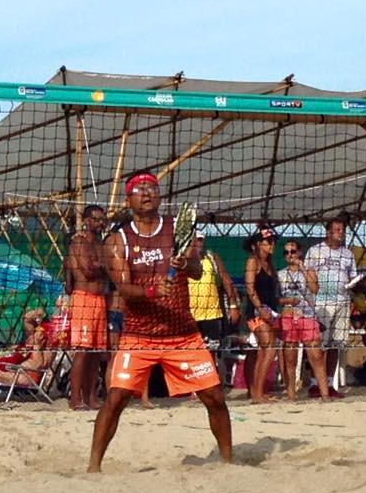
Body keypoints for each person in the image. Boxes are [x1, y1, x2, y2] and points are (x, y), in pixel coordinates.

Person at [88, 172, 232, 472]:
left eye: (151, 188)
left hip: (182, 332)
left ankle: (229, 462)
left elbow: (196, 271)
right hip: (139, 335)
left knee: (215, 397)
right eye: (139, 190)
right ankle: (93, 467)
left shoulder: (176, 229)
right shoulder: (117, 240)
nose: (146, 193)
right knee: (116, 398)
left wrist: (186, 263)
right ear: (128, 200)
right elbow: (123, 288)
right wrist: (152, 291)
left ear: (159, 195)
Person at [304, 216, 357, 398]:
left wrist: (356, 285)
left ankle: (329, 383)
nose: (341, 233)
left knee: (336, 344)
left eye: (343, 230)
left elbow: (352, 277)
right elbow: (308, 275)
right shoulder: (315, 251)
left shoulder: (348, 254)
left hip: (342, 302)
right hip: (321, 304)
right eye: (337, 230)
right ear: (328, 232)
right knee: (320, 345)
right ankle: (314, 384)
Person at [64, 204, 108, 410]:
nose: (100, 223)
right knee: (82, 351)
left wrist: (101, 266)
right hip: (84, 299)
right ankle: (75, 399)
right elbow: (89, 270)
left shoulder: (100, 244)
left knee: (96, 352)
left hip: (100, 299)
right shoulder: (79, 242)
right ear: (87, 220)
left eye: (102, 220)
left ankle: (91, 397)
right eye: (96, 219)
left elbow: (104, 268)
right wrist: (103, 266)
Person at [278, 239, 331, 401]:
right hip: (289, 316)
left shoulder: (309, 271)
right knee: (290, 358)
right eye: (286, 252)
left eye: (293, 251)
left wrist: (302, 267)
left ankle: (325, 394)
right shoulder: (280, 274)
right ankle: (291, 395)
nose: (290, 255)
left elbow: (315, 289)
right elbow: (276, 298)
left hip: (307, 316)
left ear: (299, 253)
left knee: (316, 356)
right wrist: (287, 301)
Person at [243, 224, 281, 403]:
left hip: (270, 311)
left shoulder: (270, 264)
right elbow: (249, 288)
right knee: (269, 349)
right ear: (258, 244)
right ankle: (257, 394)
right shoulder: (253, 261)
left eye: (273, 241)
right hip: (257, 312)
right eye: (268, 241)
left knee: (263, 352)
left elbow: (271, 293)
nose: (272, 244)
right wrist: (260, 309)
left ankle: (257, 392)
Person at [188, 231, 240, 348]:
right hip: (190, 316)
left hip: (211, 315)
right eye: (194, 240)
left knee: (212, 351)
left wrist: (233, 306)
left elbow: (227, 281)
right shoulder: (182, 260)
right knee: (191, 352)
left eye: (200, 240)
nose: (197, 243)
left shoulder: (211, 257)